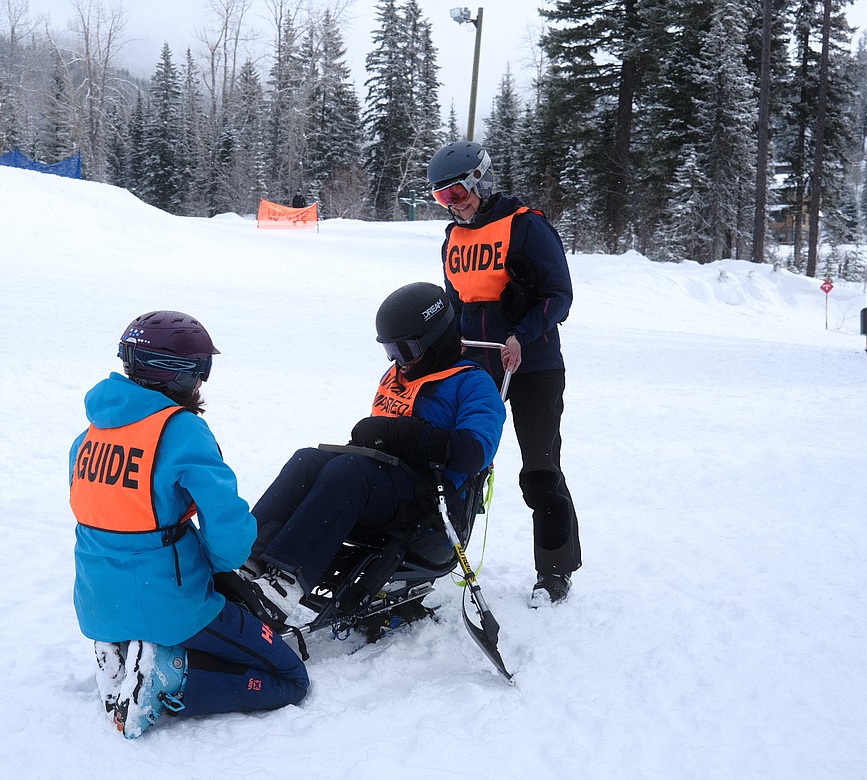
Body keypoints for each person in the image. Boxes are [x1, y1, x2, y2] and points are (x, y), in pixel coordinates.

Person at [70, 310, 309, 738]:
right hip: (170, 604)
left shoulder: (91, 434)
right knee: (291, 679)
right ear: (179, 374)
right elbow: (229, 534)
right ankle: (168, 676)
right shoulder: (181, 430)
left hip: (97, 603)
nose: (202, 382)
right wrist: (219, 569)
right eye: (201, 370)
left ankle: (122, 650)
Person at [242, 282, 506, 627]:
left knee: (348, 474)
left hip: (429, 505)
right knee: (306, 460)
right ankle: (248, 562)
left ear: (436, 339)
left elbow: (473, 453)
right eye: (390, 351)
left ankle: (286, 585)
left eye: (405, 351)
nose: (398, 361)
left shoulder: (474, 384)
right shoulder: (398, 376)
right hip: (383, 482)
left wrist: (397, 434)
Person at [427, 140, 582, 607]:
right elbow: (455, 299)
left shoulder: (527, 227)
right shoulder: (453, 239)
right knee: (463, 458)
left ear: (480, 180)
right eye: (441, 198)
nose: (452, 206)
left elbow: (560, 296)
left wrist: (522, 333)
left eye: (456, 193)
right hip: (477, 363)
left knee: (539, 467)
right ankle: (440, 557)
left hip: (533, 363)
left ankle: (555, 571)